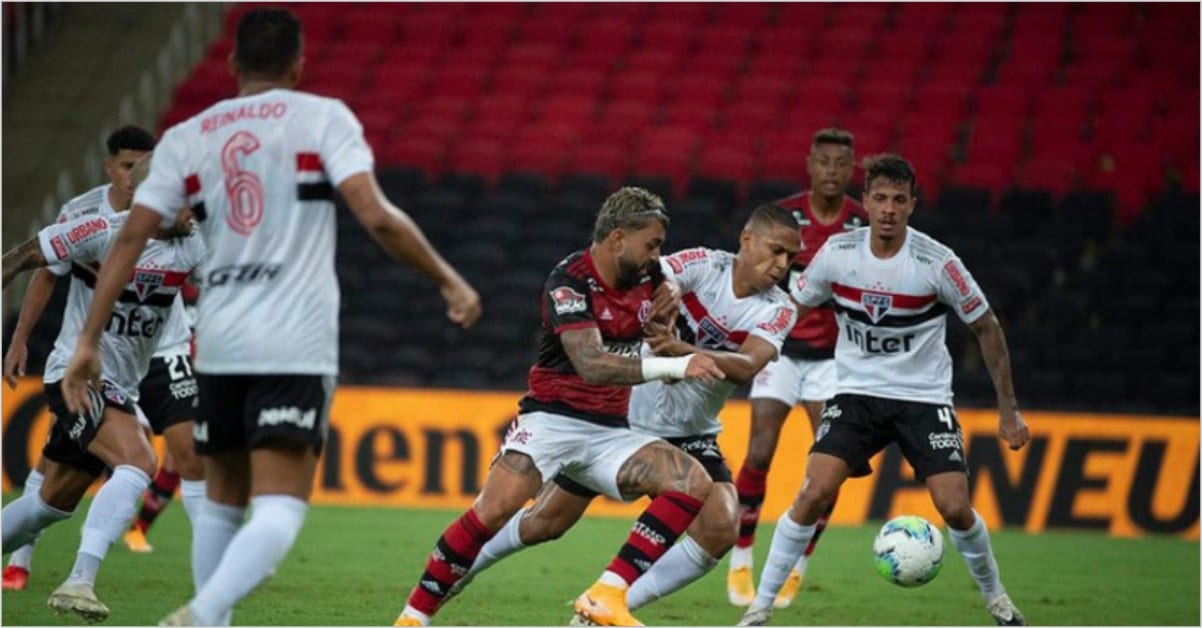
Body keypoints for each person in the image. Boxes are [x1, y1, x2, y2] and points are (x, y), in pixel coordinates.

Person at [59, 8, 481, 626]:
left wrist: (87, 340)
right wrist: (448, 279)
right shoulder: (323, 118)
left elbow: (127, 242)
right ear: (298, 65)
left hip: (220, 341)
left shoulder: (186, 137)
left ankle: (211, 620)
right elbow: (378, 215)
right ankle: (205, 612)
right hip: (294, 337)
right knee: (281, 507)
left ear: (232, 65)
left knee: (223, 502)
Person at [442, 203, 802, 617]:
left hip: (691, 432)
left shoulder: (780, 308)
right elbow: (642, 273)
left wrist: (680, 351)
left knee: (722, 525)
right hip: (624, 419)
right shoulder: (704, 264)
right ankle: (466, 567)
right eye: (776, 251)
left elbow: (747, 366)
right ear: (747, 239)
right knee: (546, 523)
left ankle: (604, 605)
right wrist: (656, 303)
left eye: (791, 258)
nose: (782, 265)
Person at [393, 186, 725, 627]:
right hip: (553, 419)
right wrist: (677, 367)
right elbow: (591, 365)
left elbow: (670, 290)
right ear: (618, 238)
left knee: (691, 482)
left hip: (611, 429)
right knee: (494, 511)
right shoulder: (568, 281)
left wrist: (672, 297)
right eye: (652, 244)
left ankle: (607, 594)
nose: (657, 255)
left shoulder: (653, 276)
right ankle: (412, 618)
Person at [737, 154, 1030, 627]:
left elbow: (988, 328)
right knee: (812, 492)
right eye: (879, 198)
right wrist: (751, 344)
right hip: (856, 393)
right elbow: (793, 306)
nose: (888, 208)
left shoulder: (938, 263)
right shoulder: (838, 253)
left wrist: (1009, 412)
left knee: (955, 507)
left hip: (924, 398)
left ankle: (997, 599)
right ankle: (759, 608)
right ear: (866, 203)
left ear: (913, 204)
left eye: (899, 199)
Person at [3, 128, 208, 591]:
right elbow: (22, 257)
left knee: (50, 503)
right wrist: (18, 336)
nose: (190, 214)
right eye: (182, 203)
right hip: (75, 376)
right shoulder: (97, 228)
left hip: (126, 382)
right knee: (138, 461)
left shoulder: (191, 242)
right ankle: (80, 580)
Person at [729, 127, 867, 608]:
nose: (832, 171)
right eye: (824, 161)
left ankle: (796, 565)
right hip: (781, 351)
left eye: (841, 164)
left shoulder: (863, 225)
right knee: (761, 452)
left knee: (827, 469)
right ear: (810, 164)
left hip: (834, 361)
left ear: (853, 171)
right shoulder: (784, 219)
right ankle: (742, 554)